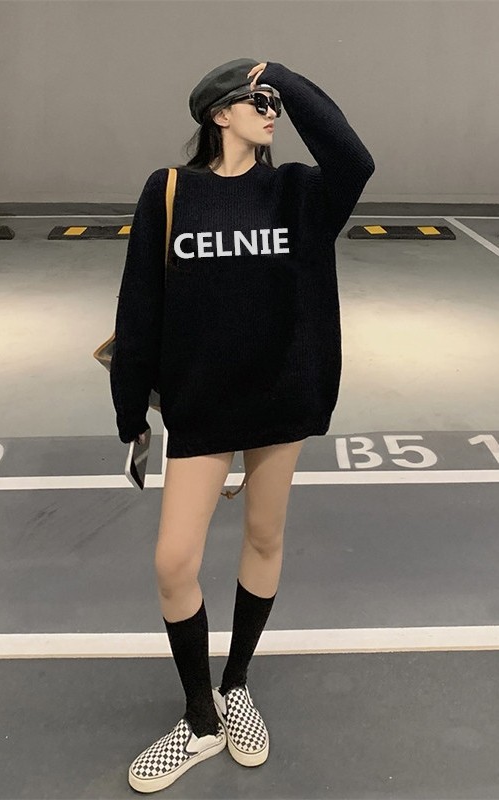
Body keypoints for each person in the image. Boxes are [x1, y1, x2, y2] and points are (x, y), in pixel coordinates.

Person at [110, 57, 375, 793]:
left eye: (275, 103)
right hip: (201, 403)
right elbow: (140, 303)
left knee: (263, 537)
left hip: (278, 397)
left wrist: (281, 75)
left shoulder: (300, 192)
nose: (271, 111)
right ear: (218, 114)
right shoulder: (170, 190)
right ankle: (199, 720)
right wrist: (130, 410)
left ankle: (235, 687)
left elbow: (355, 158)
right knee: (173, 562)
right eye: (257, 100)